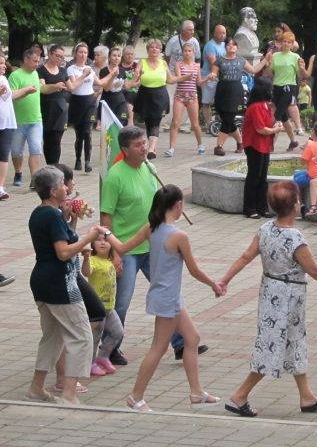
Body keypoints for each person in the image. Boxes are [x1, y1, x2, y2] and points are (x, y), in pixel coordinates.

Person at [216, 180, 317, 418]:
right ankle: (239, 396)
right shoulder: (294, 237)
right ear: (295, 205)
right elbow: (314, 269)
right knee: (271, 344)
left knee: (294, 341)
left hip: (271, 291)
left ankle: (307, 397)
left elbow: (245, 256)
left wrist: (225, 279)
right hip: (287, 297)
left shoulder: (265, 228)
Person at [104, 185, 223, 412]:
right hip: (168, 297)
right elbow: (194, 270)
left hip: (167, 295)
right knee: (158, 348)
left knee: (192, 338)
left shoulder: (151, 228)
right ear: (178, 205)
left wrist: (106, 233)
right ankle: (135, 397)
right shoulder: (179, 236)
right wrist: (213, 284)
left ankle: (197, 392)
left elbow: (122, 247)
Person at [100, 126, 201, 364]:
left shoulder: (149, 168)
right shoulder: (115, 176)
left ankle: (180, 343)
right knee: (122, 302)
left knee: (169, 293)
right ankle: (111, 347)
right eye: (137, 145)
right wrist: (113, 253)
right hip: (127, 248)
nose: (144, 148)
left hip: (153, 246)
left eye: (144, 142)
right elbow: (106, 218)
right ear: (125, 150)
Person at [26, 166, 100, 405]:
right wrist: (90, 237)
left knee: (53, 337)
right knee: (82, 336)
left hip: (42, 281)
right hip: (60, 285)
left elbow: (62, 242)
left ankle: (37, 388)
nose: (66, 189)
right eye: (62, 185)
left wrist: (70, 220)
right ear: (52, 190)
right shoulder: (53, 216)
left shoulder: (39, 213)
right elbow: (63, 252)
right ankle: (68, 393)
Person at [133, 38, 192, 160]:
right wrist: (137, 74)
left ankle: (151, 149)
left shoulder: (163, 63)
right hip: (145, 95)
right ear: (148, 50)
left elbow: (170, 80)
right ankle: (152, 147)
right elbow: (136, 76)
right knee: (148, 123)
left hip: (159, 96)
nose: (154, 49)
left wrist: (184, 77)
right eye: (151, 47)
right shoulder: (142, 62)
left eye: (157, 47)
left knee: (156, 122)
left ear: (160, 50)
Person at [67, 42, 116, 171]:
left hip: (89, 101)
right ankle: (78, 159)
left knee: (88, 132)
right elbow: (73, 86)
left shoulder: (90, 69)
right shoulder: (71, 69)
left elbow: (100, 83)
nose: (83, 55)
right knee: (79, 134)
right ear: (75, 54)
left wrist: (111, 75)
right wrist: (83, 75)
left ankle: (87, 162)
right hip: (77, 102)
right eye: (80, 52)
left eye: (85, 52)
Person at [211, 37, 263, 156]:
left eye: (233, 44)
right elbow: (213, 73)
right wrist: (212, 76)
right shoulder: (219, 60)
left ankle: (219, 146)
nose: (231, 46)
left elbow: (254, 70)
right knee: (227, 119)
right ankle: (240, 143)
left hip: (235, 92)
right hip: (222, 91)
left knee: (228, 118)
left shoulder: (241, 60)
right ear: (225, 47)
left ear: (237, 47)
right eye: (228, 44)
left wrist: (265, 60)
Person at [242, 77, 283, 219]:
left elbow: (268, 125)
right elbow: (261, 129)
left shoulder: (265, 106)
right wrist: (275, 130)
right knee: (254, 177)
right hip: (254, 145)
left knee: (263, 178)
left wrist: (275, 126)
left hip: (263, 145)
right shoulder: (256, 107)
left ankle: (262, 207)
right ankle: (250, 208)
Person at [86, 232, 123, 375]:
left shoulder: (110, 261)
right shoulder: (93, 260)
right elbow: (86, 272)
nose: (102, 243)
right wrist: (86, 257)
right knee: (95, 336)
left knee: (118, 332)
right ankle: (89, 363)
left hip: (109, 308)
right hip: (97, 309)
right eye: (98, 240)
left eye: (106, 240)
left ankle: (103, 357)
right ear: (92, 244)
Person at [166, 42, 211, 157]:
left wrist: (207, 78)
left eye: (189, 51)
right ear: (182, 52)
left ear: (193, 53)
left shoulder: (196, 66)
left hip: (192, 97)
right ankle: (171, 148)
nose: (187, 53)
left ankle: (200, 145)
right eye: (185, 51)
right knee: (176, 122)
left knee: (195, 124)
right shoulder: (178, 64)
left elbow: (199, 82)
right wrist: (187, 77)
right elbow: (178, 78)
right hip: (180, 96)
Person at [262, 32, 305, 151]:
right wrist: (267, 64)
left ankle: (270, 144)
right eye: (284, 41)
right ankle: (293, 141)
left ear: (292, 44)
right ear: (281, 43)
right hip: (277, 87)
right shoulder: (275, 56)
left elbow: (300, 75)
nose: (286, 44)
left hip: (289, 87)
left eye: (288, 42)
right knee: (284, 117)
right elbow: (270, 73)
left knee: (277, 115)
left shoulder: (295, 57)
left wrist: (302, 69)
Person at [9, 48, 43, 189]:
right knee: (16, 151)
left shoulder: (35, 73)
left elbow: (41, 89)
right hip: (18, 121)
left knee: (36, 149)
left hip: (36, 120)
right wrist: (26, 91)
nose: (37, 64)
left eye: (38, 61)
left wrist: (54, 87)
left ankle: (34, 180)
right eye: (35, 61)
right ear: (26, 59)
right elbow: (11, 96)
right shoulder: (15, 75)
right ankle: (18, 172)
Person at [163, 20, 201, 132]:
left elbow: (197, 58)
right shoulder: (173, 41)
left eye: (193, 29)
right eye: (190, 30)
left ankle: (185, 126)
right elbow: (167, 56)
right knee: (169, 100)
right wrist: (168, 72)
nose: (192, 31)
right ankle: (165, 124)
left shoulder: (194, 41)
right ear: (183, 30)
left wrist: (194, 72)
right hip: (173, 74)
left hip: (188, 76)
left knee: (189, 99)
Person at [37, 44, 70, 164]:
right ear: (50, 54)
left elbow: (71, 87)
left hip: (61, 109)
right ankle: (50, 165)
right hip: (46, 108)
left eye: (62, 57)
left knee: (57, 140)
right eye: (57, 56)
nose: (59, 59)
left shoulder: (63, 71)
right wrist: (55, 87)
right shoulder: (41, 71)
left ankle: (55, 166)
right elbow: (42, 88)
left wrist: (83, 76)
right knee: (48, 139)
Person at [0, 55, 18, 201]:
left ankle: (0, 187)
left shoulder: (4, 79)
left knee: (4, 154)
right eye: (0, 63)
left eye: (4, 62)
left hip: (7, 123)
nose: (4, 65)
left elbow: (8, 97)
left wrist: (26, 90)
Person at [99, 47, 132, 127]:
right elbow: (106, 88)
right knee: (109, 127)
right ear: (109, 57)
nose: (117, 58)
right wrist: (113, 76)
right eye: (114, 55)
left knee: (120, 124)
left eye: (119, 56)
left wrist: (136, 78)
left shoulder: (122, 70)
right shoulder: (104, 71)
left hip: (120, 100)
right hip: (108, 100)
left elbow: (127, 86)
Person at [202, 24, 226, 131]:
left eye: (224, 33)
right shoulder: (210, 46)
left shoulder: (224, 45)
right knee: (207, 102)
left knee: (219, 101)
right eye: (220, 33)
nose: (223, 35)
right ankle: (208, 125)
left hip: (220, 78)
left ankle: (217, 123)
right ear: (215, 34)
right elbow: (214, 63)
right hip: (209, 77)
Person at [119, 46, 139, 127]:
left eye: (131, 54)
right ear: (123, 55)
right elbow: (121, 83)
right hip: (121, 89)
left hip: (137, 90)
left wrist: (131, 84)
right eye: (127, 54)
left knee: (129, 94)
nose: (130, 56)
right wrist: (132, 84)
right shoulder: (119, 66)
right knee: (127, 93)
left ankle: (130, 121)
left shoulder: (137, 66)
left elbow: (140, 81)